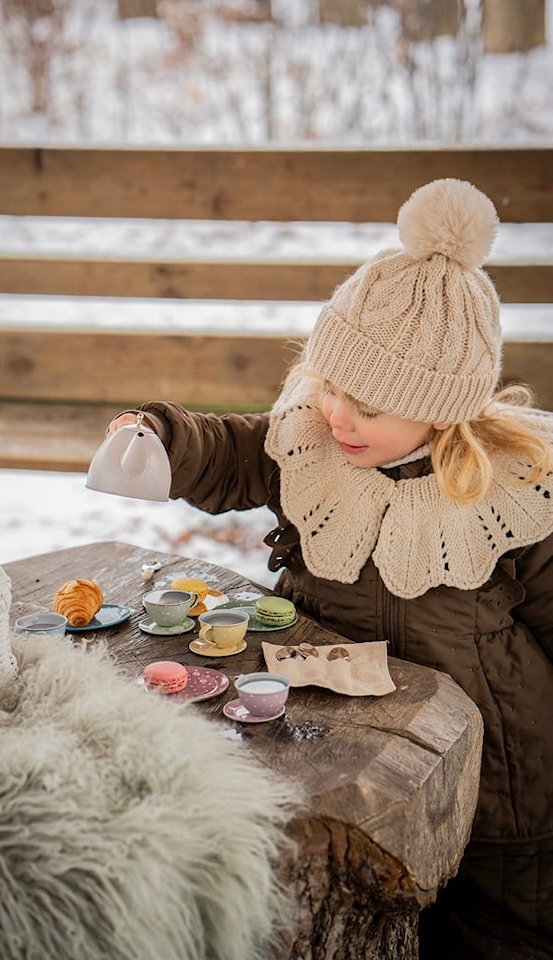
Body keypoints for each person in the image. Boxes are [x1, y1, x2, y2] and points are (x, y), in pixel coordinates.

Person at [106, 178, 553, 959]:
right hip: (338, 748)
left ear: (442, 408)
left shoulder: (512, 493)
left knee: (498, 935)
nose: (337, 416)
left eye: (368, 407)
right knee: (351, 914)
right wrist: (165, 438)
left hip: (499, 793)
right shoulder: (312, 446)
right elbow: (235, 451)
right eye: (330, 388)